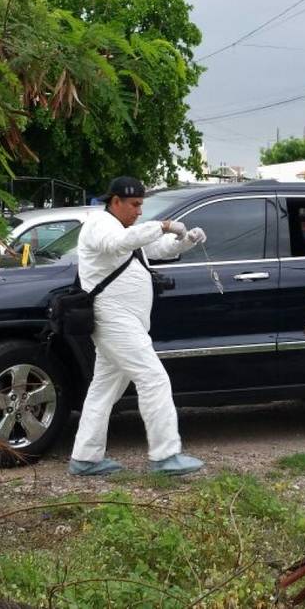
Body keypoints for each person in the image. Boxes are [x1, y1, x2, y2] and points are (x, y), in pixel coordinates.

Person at [69, 176, 207, 477]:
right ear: (114, 201)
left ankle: (85, 458)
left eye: (141, 205)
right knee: (153, 378)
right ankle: (165, 455)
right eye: (134, 205)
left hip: (126, 321)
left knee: (103, 390)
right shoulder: (100, 225)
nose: (139, 211)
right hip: (113, 319)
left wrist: (186, 240)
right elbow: (120, 244)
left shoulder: (125, 228)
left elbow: (158, 249)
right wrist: (163, 225)